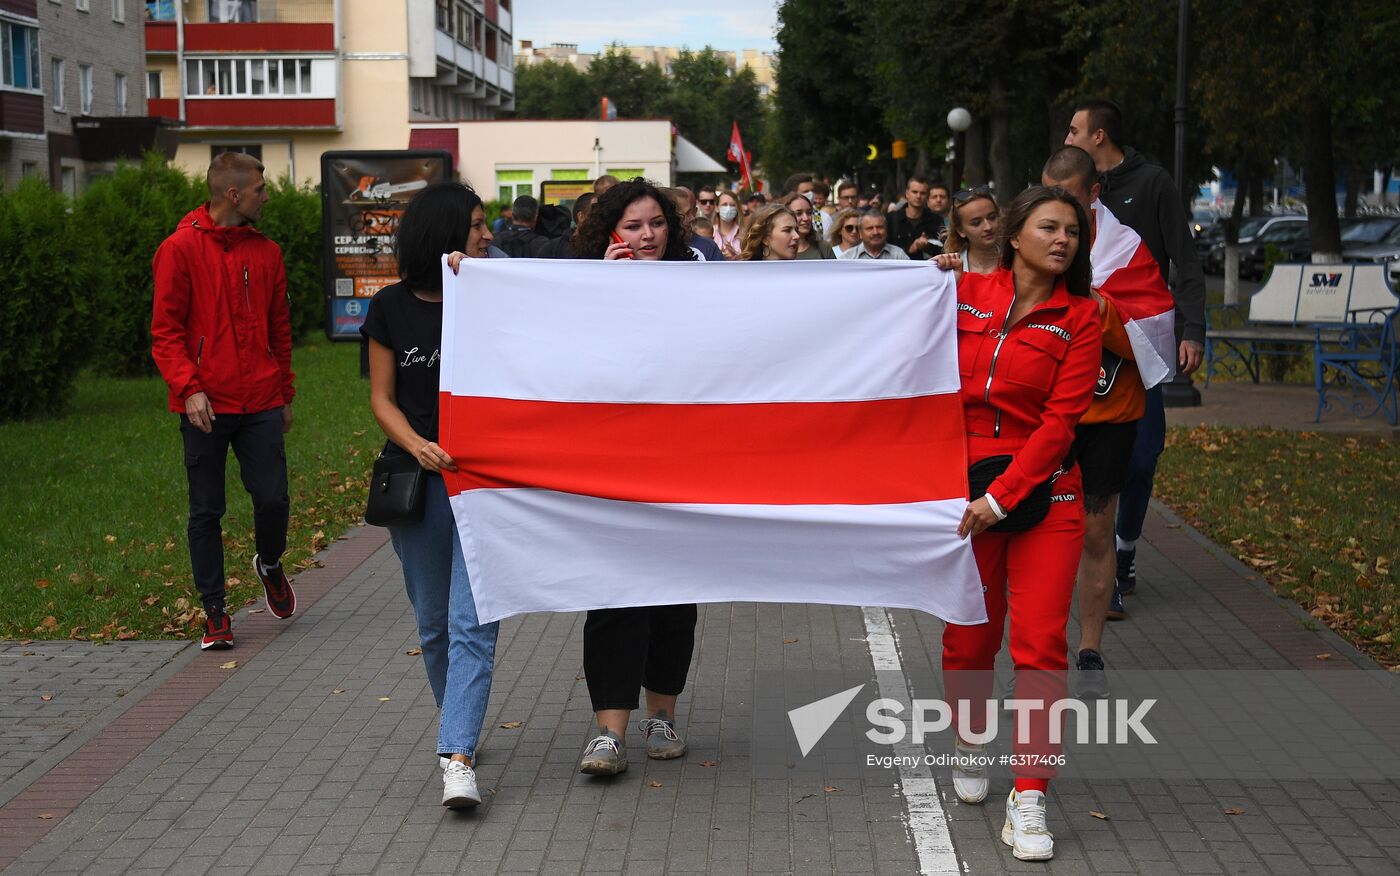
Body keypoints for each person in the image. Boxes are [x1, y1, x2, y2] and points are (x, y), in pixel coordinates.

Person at [932, 186, 1101, 862]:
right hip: (957, 490)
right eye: (1050, 226)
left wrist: (1002, 497)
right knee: (970, 639)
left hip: (1044, 500)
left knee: (1039, 646)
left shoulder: (1084, 318)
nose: (1062, 240)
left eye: (1073, 233)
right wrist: (919, 282)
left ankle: (1028, 795)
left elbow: (1061, 423)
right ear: (1014, 234)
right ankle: (970, 738)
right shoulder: (961, 292)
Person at [361, 182, 499, 809]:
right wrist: (417, 445)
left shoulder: (491, 293)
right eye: (475, 225)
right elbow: (381, 399)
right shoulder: (390, 306)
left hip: (486, 482)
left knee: (475, 622)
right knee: (434, 623)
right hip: (418, 482)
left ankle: (458, 755)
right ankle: (458, 723)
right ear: (444, 230)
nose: (487, 235)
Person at [567, 178, 699, 776]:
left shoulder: (698, 274)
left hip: (681, 461)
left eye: (657, 224)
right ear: (611, 231)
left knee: (674, 594)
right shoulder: (585, 278)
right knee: (614, 590)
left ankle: (662, 715)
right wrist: (605, 288)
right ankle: (608, 732)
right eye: (634, 226)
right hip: (610, 460)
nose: (647, 236)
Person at [151, 152, 297, 652]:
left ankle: (270, 563)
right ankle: (215, 613)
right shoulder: (179, 249)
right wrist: (188, 388)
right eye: (260, 188)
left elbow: (280, 328)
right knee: (206, 511)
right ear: (233, 195)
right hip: (205, 405)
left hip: (259, 399)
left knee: (273, 497)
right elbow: (165, 332)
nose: (266, 195)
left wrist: (285, 393)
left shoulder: (267, 252)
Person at [1065, 99, 1206, 608]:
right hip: (1082, 361)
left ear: (1098, 137)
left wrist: (1193, 331)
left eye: (1075, 130)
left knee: (1142, 460)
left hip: (1139, 343)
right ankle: (1086, 562)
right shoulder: (1060, 193)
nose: (1067, 138)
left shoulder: (1154, 185)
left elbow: (1184, 261)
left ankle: (1122, 553)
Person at [885, 175, 944, 260]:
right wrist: (911, 248)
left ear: (927, 196)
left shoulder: (936, 220)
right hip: (897, 269)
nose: (918, 196)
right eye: (915, 192)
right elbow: (885, 249)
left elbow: (943, 250)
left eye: (922, 193)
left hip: (926, 270)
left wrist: (928, 247)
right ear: (907, 194)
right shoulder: (890, 219)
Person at [943, 187, 1001, 273]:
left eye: (992, 218)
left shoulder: (1015, 261)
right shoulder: (950, 270)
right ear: (960, 230)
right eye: (976, 223)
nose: (988, 227)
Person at [665, 186, 725, 261]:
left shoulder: (708, 247)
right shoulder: (653, 249)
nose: (692, 218)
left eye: (692, 212)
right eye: (686, 214)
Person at [779, 192, 835, 259]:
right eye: (798, 213)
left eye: (809, 213)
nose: (806, 218)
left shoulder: (823, 248)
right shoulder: (777, 250)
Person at [537, 192, 593, 259]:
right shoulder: (552, 248)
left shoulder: (603, 246)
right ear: (581, 216)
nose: (601, 219)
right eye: (596, 214)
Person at [839, 211, 909, 260]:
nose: (875, 232)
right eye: (869, 228)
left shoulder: (899, 256)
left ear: (886, 230)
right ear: (860, 233)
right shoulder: (847, 258)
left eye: (880, 227)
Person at [712, 190, 745, 258]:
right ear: (717, 208)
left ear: (737, 208)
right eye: (724, 204)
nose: (728, 208)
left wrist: (736, 256)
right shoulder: (711, 232)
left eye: (732, 205)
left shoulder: (744, 234)